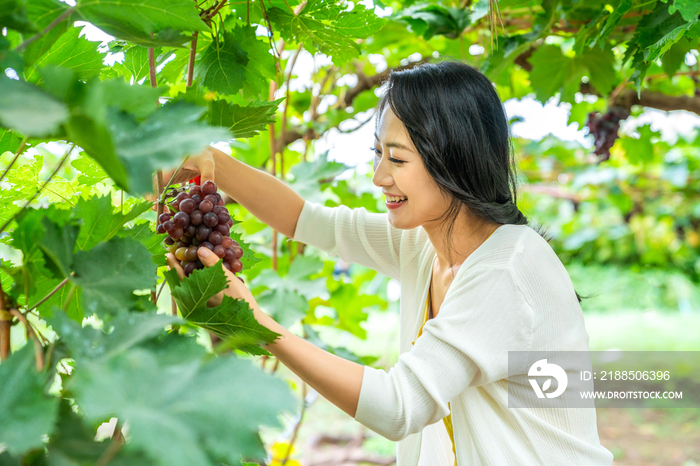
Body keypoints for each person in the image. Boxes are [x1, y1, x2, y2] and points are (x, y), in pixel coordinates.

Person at [165, 60, 614, 465]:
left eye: (396, 158)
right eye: (378, 154)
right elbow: (308, 220)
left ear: (453, 159)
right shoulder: (427, 241)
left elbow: (400, 406)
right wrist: (212, 163)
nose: (380, 177)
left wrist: (255, 324)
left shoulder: (506, 269)